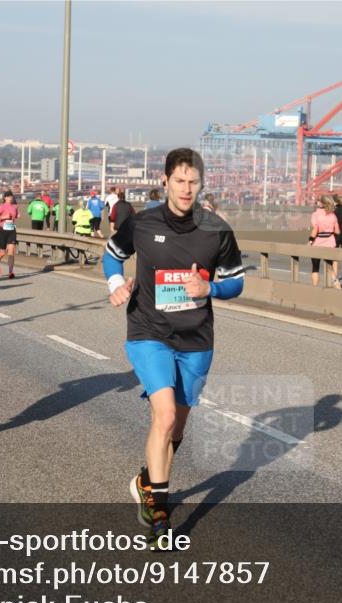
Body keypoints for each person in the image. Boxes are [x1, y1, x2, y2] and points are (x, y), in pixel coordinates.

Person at [103, 148, 244, 550]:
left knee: (177, 425)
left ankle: (147, 481)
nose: (186, 188)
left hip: (196, 338)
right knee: (163, 415)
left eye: (193, 181)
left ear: (202, 183)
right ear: (165, 181)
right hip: (149, 330)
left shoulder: (217, 229)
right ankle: (158, 511)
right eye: (179, 181)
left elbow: (236, 282)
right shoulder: (142, 223)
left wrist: (210, 288)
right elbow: (112, 258)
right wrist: (116, 284)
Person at [309, 195, 341, 289]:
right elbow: (337, 231)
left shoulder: (316, 214)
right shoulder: (333, 215)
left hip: (317, 243)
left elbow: (315, 230)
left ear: (321, 203)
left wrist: (310, 241)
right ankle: (338, 287)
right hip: (330, 243)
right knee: (330, 267)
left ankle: (315, 289)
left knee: (315, 267)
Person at [0, 191, 19, 279]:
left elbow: (16, 215)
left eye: (11, 196)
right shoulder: (2, 207)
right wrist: (4, 217)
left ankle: (10, 272)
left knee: (11, 252)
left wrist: (17, 215)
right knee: (3, 252)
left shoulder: (15, 207)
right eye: (8, 196)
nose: (10, 198)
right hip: (3, 231)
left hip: (12, 230)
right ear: (5, 198)